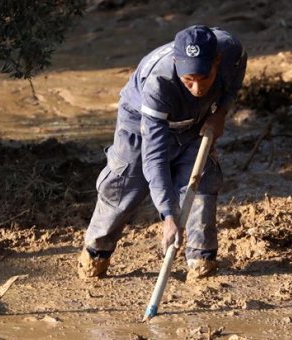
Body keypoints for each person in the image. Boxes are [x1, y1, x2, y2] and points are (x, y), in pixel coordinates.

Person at [78, 25, 247, 280]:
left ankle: (202, 262)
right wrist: (168, 215)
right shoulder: (158, 83)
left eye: (204, 78)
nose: (197, 88)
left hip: (195, 120)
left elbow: (235, 78)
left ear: (217, 61)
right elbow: (155, 157)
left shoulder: (230, 50)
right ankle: (95, 255)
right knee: (126, 186)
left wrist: (221, 112)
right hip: (140, 122)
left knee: (199, 183)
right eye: (189, 79)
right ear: (177, 64)